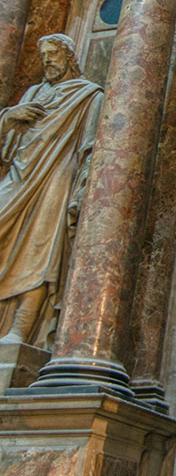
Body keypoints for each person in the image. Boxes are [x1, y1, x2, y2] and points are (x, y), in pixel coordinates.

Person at [0, 34, 102, 347]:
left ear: (69, 56)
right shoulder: (34, 92)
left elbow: (91, 145)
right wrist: (8, 117)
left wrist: (84, 188)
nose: (47, 61)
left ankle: (20, 329)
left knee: (41, 248)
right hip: (20, 171)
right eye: (43, 55)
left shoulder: (88, 95)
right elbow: (7, 139)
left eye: (53, 54)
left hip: (56, 176)